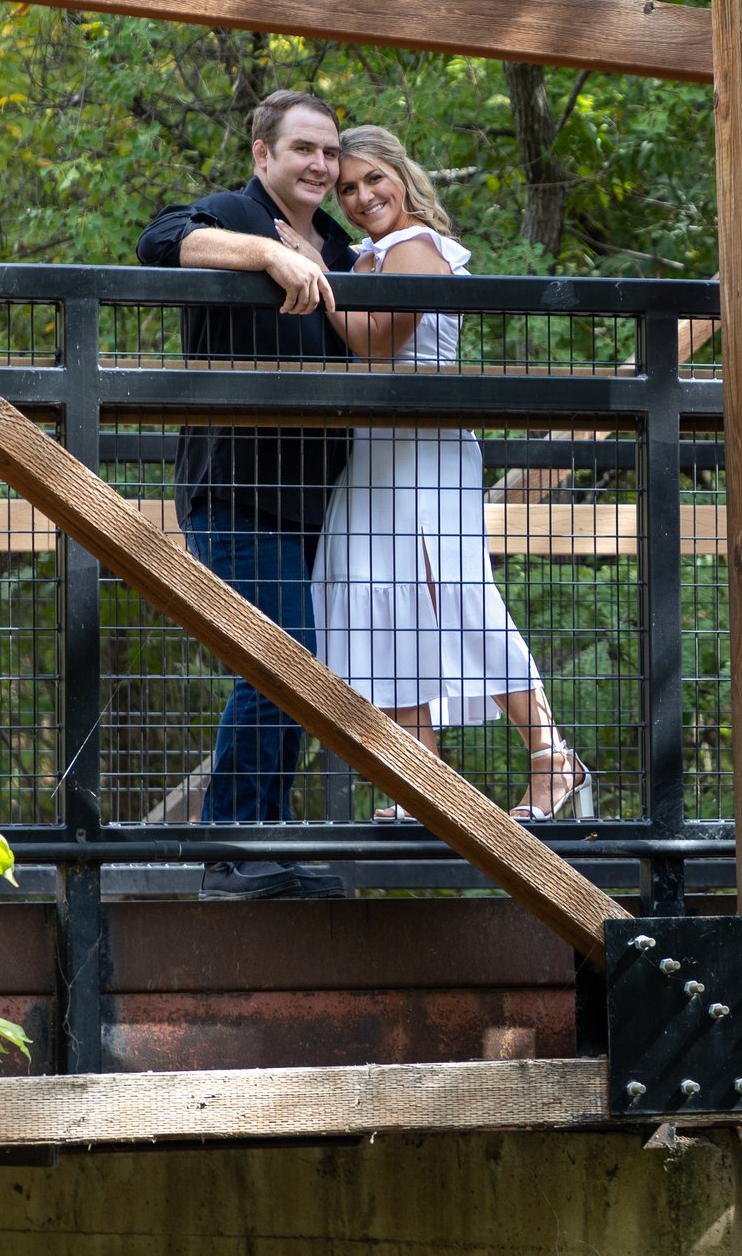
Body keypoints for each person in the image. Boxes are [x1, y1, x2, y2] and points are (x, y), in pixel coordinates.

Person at [286, 125, 594, 822]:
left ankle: (552, 757)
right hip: (375, 453)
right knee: (387, 602)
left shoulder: (415, 248)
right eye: (348, 188)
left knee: (453, 594)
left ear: (402, 172)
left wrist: (315, 267)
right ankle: (418, 778)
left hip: (424, 448)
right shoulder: (371, 255)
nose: (362, 197)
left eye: (373, 179)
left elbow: (376, 343)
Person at [137, 89, 356, 900]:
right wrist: (265, 254)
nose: (322, 166)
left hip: (311, 502)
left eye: (330, 152)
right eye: (304, 149)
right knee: (278, 660)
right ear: (263, 154)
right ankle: (230, 851)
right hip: (235, 488)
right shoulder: (235, 215)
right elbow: (160, 239)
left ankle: (268, 838)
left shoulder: (335, 242)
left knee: (297, 668)